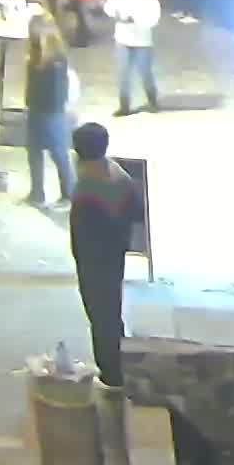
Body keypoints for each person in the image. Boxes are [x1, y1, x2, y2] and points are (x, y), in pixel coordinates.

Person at [67, 122, 142, 387]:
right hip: (114, 257)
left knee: (101, 317)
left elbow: (82, 237)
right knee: (111, 313)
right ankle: (119, 366)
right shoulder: (118, 174)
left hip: (94, 263)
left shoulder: (87, 188)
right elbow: (136, 212)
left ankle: (112, 375)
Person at [24, 27, 78, 208]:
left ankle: (69, 193)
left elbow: (57, 93)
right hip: (36, 109)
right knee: (33, 151)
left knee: (58, 152)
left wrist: (48, 110)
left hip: (51, 113)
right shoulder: (34, 59)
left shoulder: (56, 64)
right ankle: (36, 193)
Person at [105, 0, 165, 113]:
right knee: (123, 74)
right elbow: (109, 7)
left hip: (142, 41)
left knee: (145, 73)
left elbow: (154, 17)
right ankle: (124, 106)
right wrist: (116, 14)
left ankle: (153, 100)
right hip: (122, 39)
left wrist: (135, 19)